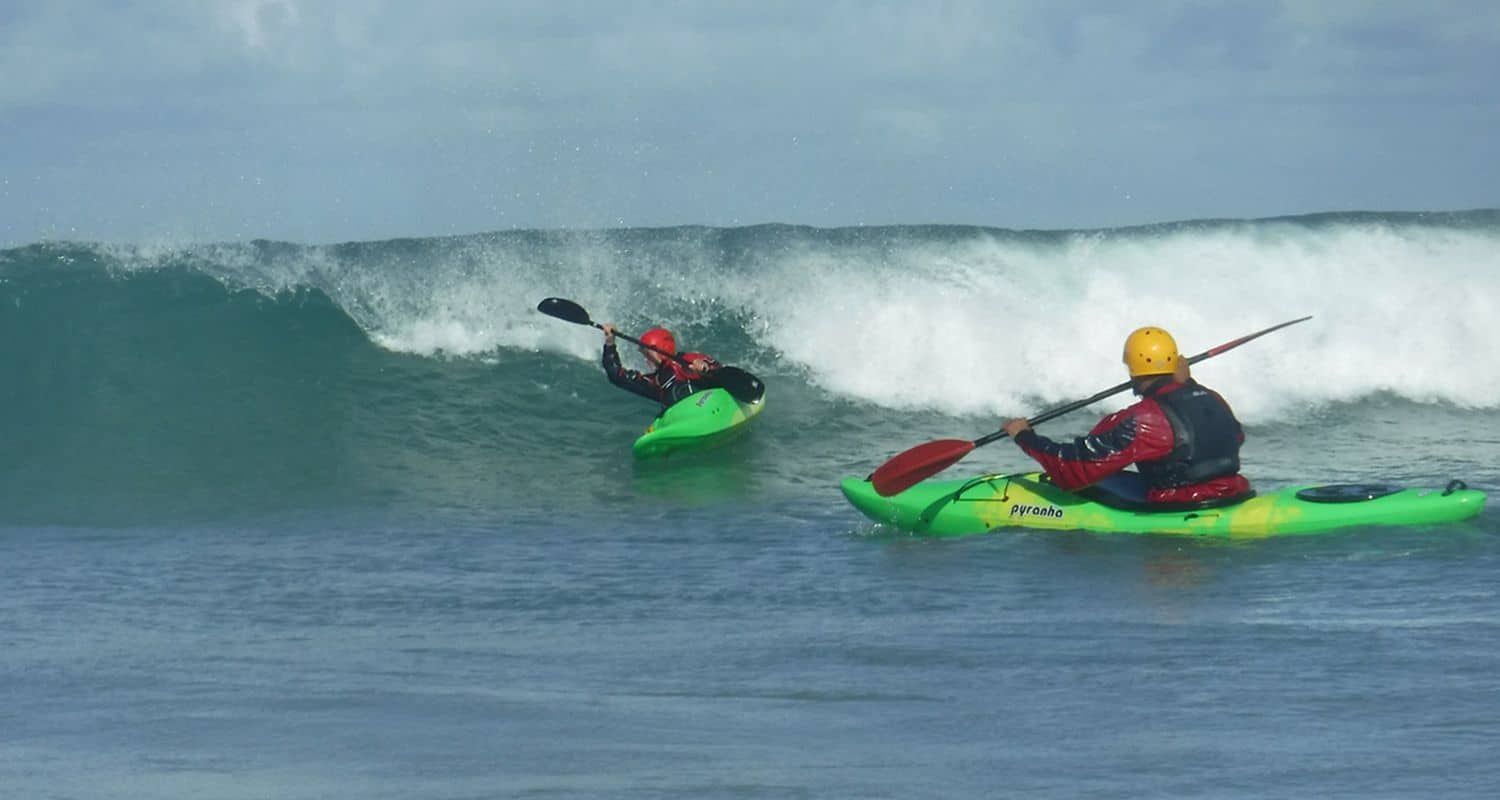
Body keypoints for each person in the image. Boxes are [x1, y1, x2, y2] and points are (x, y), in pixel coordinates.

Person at [1000, 326, 1252, 506]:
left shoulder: (1146, 419)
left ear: (1133, 367)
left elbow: (1073, 469)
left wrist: (1025, 436)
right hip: (1232, 493)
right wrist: (1187, 384)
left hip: (1178, 504)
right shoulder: (1212, 398)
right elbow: (1235, 436)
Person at [600, 323, 721, 406]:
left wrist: (705, 369)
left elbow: (716, 367)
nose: (646, 358)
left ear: (662, 348)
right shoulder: (655, 382)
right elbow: (616, 376)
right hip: (683, 416)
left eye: (647, 353)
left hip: (709, 405)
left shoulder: (687, 360)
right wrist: (610, 342)